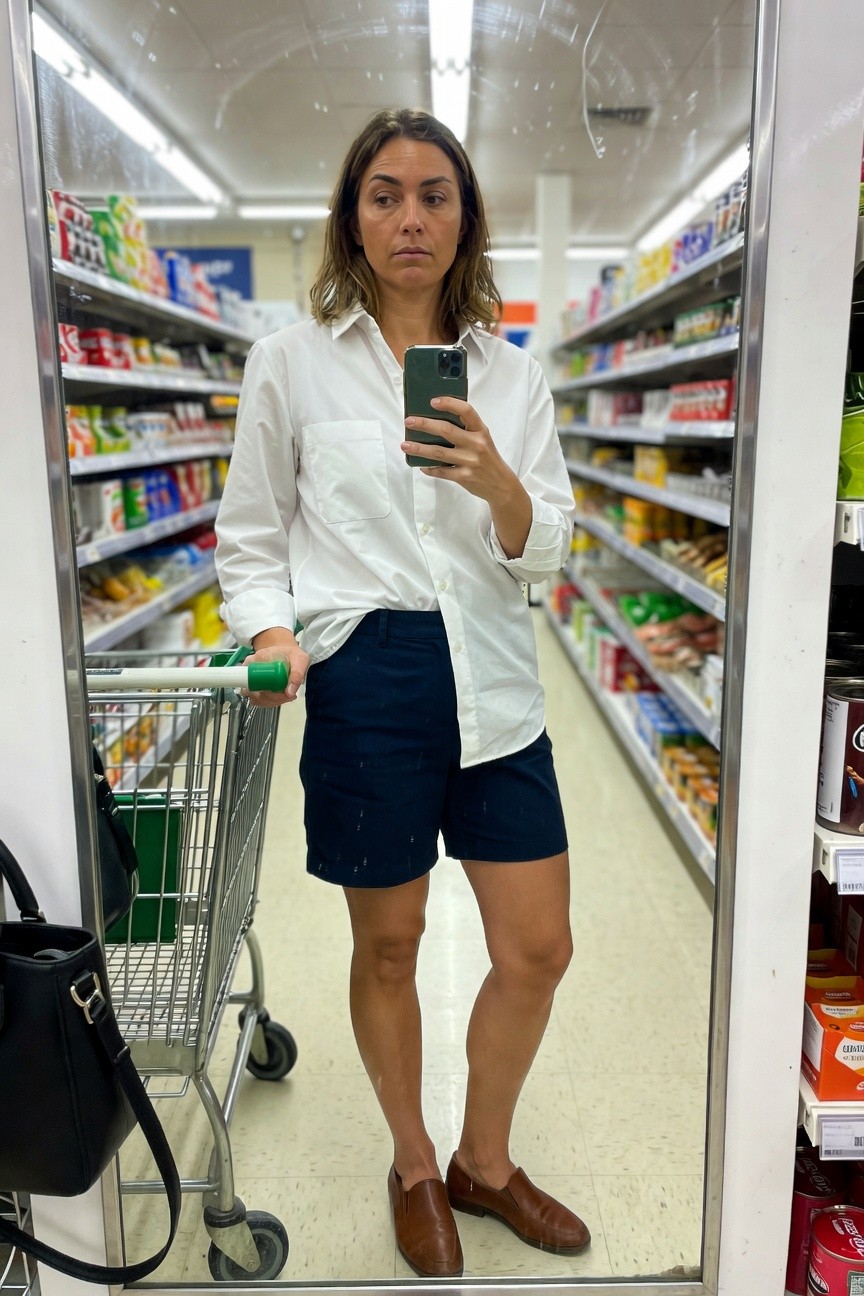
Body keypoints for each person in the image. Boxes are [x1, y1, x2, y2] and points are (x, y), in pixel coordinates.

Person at [215, 107, 588, 1279]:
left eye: (434, 194)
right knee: (392, 944)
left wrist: (499, 483)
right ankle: (417, 1164)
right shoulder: (289, 362)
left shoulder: (512, 374)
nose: (411, 217)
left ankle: (489, 1159)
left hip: (495, 674)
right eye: (384, 194)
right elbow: (249, 535)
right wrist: (272, 628)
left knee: (537, 946)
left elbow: (551, 547)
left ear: (465, 216)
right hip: (367, 671)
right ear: (352, 217)